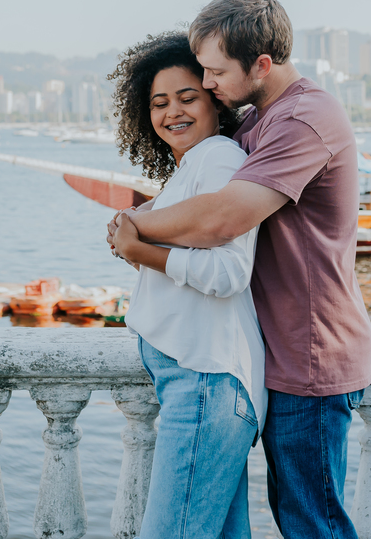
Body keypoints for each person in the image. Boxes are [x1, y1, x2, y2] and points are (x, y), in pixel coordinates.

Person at [112, 0, 371, 539]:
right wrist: (143, 218)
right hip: (276, 353)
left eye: (214, 73)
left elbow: (222, 220)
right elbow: (203, 203)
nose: (209, 84)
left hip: (310, 355)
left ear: (261, 64)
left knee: (313, 525)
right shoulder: (258, 120)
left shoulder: (304, 118)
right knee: (288, 519)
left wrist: (134, 230)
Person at [105, 31, 268, 539]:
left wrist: (141, 251)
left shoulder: (218, 158)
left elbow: (229, 273)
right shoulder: (189, 171)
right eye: (159, 103)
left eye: (187, 97)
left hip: (206, 384)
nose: (172, 111)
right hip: (203, 386)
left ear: (216, 101)